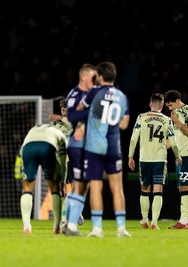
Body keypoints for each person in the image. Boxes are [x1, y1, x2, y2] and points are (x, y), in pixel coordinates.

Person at [75, 61, 131, 237]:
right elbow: (124, 124)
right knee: (117, 188)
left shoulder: (94, 93)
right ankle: (121, 228)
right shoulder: (122, 96)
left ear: (99, 76)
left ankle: (97, 228)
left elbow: (79, 108)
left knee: (96, 187)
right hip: (114, 147)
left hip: (95, 148)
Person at [128, 93, 182, 230]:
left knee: (144, 189)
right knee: (158, 190)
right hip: (159, 160)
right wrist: (177, 155)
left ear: (150, 104)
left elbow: (134, 139)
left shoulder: (141, 117)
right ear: (162, 105)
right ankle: (154, 223)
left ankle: (144, 219)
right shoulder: (167, 120)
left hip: (144, 159)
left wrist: (130, 156)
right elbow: (174, 142)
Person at [62, 63, 97, 236]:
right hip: (79, 144)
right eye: (92, 77)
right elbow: (71, 116)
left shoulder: (86, 94)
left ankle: (68, 222)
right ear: (84, 77)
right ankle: (70, 224)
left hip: (84, 144)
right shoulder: (77, 94)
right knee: (81, 186)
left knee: (80, 185)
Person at [19, 124, 67, 234]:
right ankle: (57, 227)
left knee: (27, 188)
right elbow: (64, 162)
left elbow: (22, 149)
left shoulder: (34, 128)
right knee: (55, 188)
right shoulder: (61, 135)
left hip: (28, 148)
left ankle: (26, 226)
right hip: (48, 146)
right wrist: (63, 181)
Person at [164, 90, 188, 229]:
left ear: (177, 101)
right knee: (183, 187)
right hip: (180, 155)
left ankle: (183, 221)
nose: (169, 108)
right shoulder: (175, 115)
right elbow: (173, 139)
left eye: (170, 105)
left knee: (185, 185)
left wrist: (177, 121)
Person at [49, 98, 83, 227]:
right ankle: (65, 218)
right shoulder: (55, 125)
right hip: (61, 161)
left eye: (67, 110)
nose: (64, 113)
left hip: (75, 159)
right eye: (63, 111)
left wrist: (60, 117)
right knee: (62, 190)